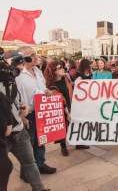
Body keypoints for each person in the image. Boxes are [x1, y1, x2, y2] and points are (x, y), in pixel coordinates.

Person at [1, 49, 50, 191]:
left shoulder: (15, 79)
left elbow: (15, 101)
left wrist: (21, 113)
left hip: (21, 126)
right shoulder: (17, 77)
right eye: (18, 62)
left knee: (31, 160)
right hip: (5, 133)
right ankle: (24, 175)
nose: (21, 66)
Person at [15, 46, 57, 177]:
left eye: (35, 54)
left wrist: (47, 92)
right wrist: (21, 116)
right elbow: (15, 98)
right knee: (28, 146)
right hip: (28, 115)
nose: (36, 56)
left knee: (41, 141)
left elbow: (43, 87)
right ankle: (25, 172)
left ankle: (41, 164)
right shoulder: (18, 75)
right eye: (32, 54)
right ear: (23, 58)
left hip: (41, 112)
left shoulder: (38, 71)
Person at [44, 60, 73, 156]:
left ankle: (78, 142)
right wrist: (67, 113)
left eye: (62, 67)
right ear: (54, 71)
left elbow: (69, 88)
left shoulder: (65, 78)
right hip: (61, 109)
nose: (63, 69)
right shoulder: (52, 86)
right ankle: (63, 146)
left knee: (73, 125)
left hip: (70, 105)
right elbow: (61, 101)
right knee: (62, 127)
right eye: (59, 68)